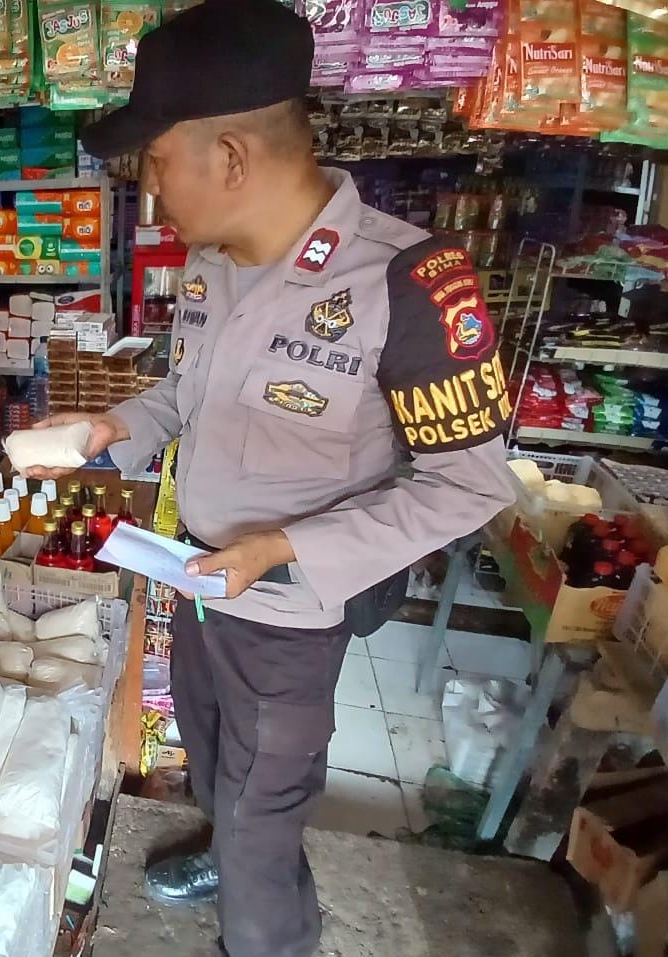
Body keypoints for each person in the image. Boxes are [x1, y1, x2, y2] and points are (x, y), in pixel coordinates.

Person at [28, 1, 515, 954]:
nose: (151, 188)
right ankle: (228, 848)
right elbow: (186, 394)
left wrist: (283, 548)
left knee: (263, 817)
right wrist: (106, 428)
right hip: (197, 578)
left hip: (290, 615)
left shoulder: (408, 282)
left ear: (231, 158)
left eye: (158, 161)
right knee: (214, 758)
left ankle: (269, 932)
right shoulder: (210, 264)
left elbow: (470, 486)